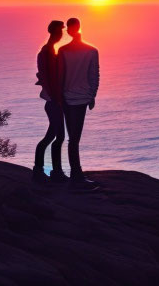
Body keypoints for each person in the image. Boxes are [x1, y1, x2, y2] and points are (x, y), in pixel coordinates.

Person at [59, 17, 100, 190]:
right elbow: (94, 76)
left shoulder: (62, 50)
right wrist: (92, 96)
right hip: (82, 98)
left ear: (68, 30)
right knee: (75, 139)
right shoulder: (91, 51)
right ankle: (76, 177)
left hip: (67, 98)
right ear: (80, 28)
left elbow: (60, 76)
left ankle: (75, 175)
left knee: (72, 139)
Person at [33, 20, 67, 183]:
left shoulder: (49, 51)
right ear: (54, 33)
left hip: (54, 100)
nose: (61, 35)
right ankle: (53, 172)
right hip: (54, 101)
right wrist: (57, 99)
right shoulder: (47, 52)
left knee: (54, 136)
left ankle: (44, 170)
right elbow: (49, 78)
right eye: (60, 32)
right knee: (56, 136)